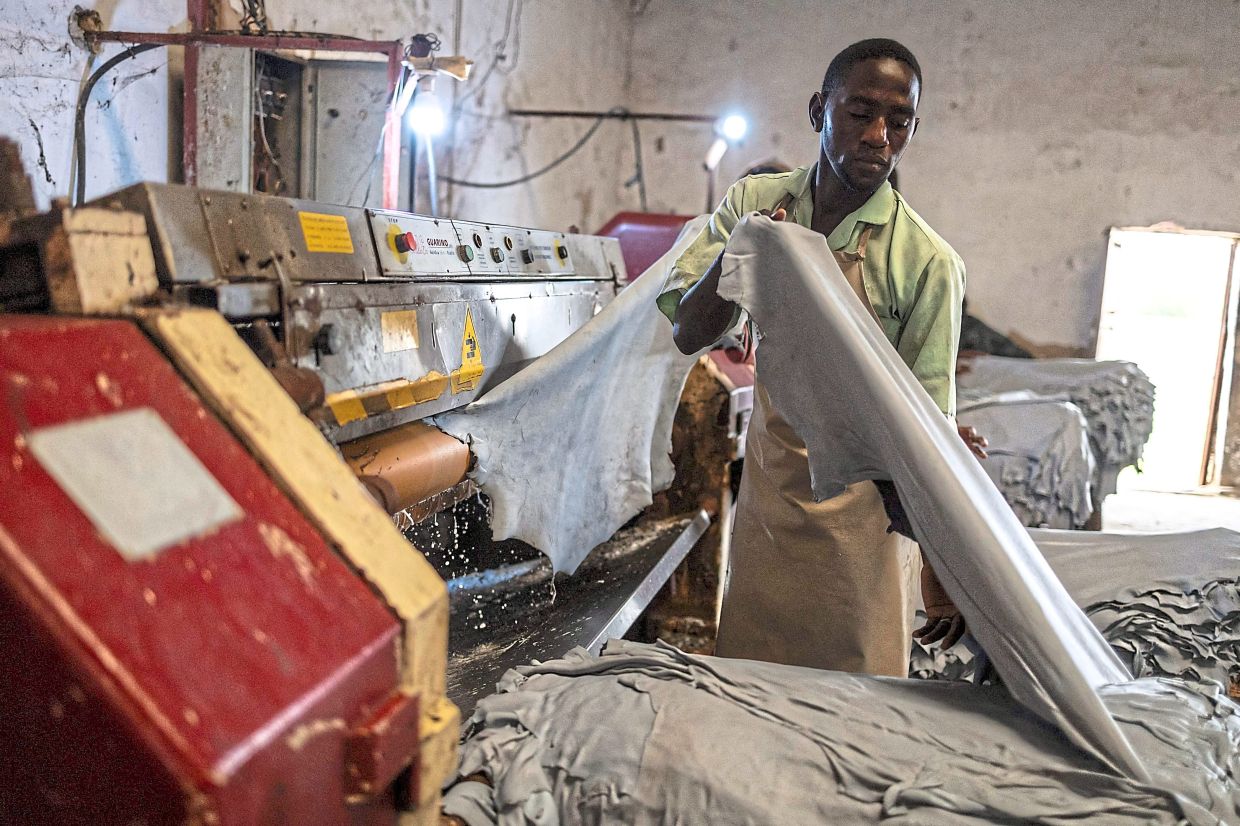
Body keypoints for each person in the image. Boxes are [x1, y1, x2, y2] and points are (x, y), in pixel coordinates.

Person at [657, 38, 969, 676]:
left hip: (866, 526)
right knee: (755, 690)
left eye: (899, 121)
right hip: (773, 503)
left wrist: (941, 564)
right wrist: (746, 253)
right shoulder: (754, 206)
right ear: (817, 110)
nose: (878, 136)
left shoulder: (928, 264)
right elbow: (691, 331)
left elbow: (926, 435)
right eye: (859, 114)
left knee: (857, 702)